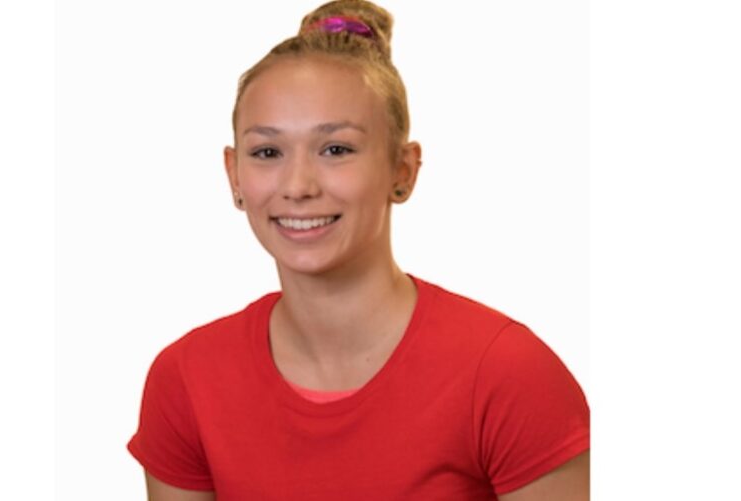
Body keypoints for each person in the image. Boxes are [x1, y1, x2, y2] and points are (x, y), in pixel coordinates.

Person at [127, 0, 590, 499]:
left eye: (336, 149)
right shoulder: (187, 379)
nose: (298, 186)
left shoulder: (507, 374)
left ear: (402, 171)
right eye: (267, 152)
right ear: (234, 175)